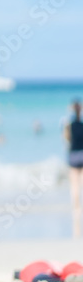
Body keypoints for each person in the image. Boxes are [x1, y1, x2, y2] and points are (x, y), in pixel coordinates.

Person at [64, 99, 83, 239]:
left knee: (74, 185)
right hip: (82, 154)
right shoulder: (82, 125)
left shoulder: (69, 125)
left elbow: (66, 140)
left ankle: (76, 209)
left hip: (73, 155)